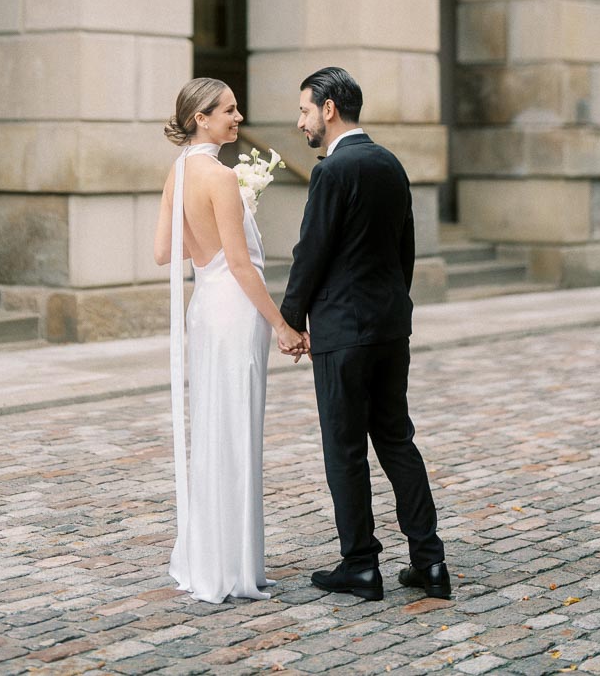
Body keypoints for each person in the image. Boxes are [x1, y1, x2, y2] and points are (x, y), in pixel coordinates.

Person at [279, 66, 449, 603]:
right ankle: (430, 561)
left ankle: (360, 566)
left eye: (305, 109)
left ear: (329, 110)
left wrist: (290, 317)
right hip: (389, 326)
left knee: (345, 449)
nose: (300, 119)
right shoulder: (389, 163)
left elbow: (311, 252)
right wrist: (393, 307)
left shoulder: (332, 171)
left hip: (343, 332)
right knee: (397, 439)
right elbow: (406, 251)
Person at [154, 77, 306, 605]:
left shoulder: (177, 173)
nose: (238, 119)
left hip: (205, 308)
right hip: (236, 312)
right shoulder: (218, 177)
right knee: (236, 427)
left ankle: (212, 554)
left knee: (215, 426)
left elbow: (161, 252)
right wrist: (283, 324)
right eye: (229, 111)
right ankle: (233, 563)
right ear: (201, 117)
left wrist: (205, 250)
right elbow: (242, 266)